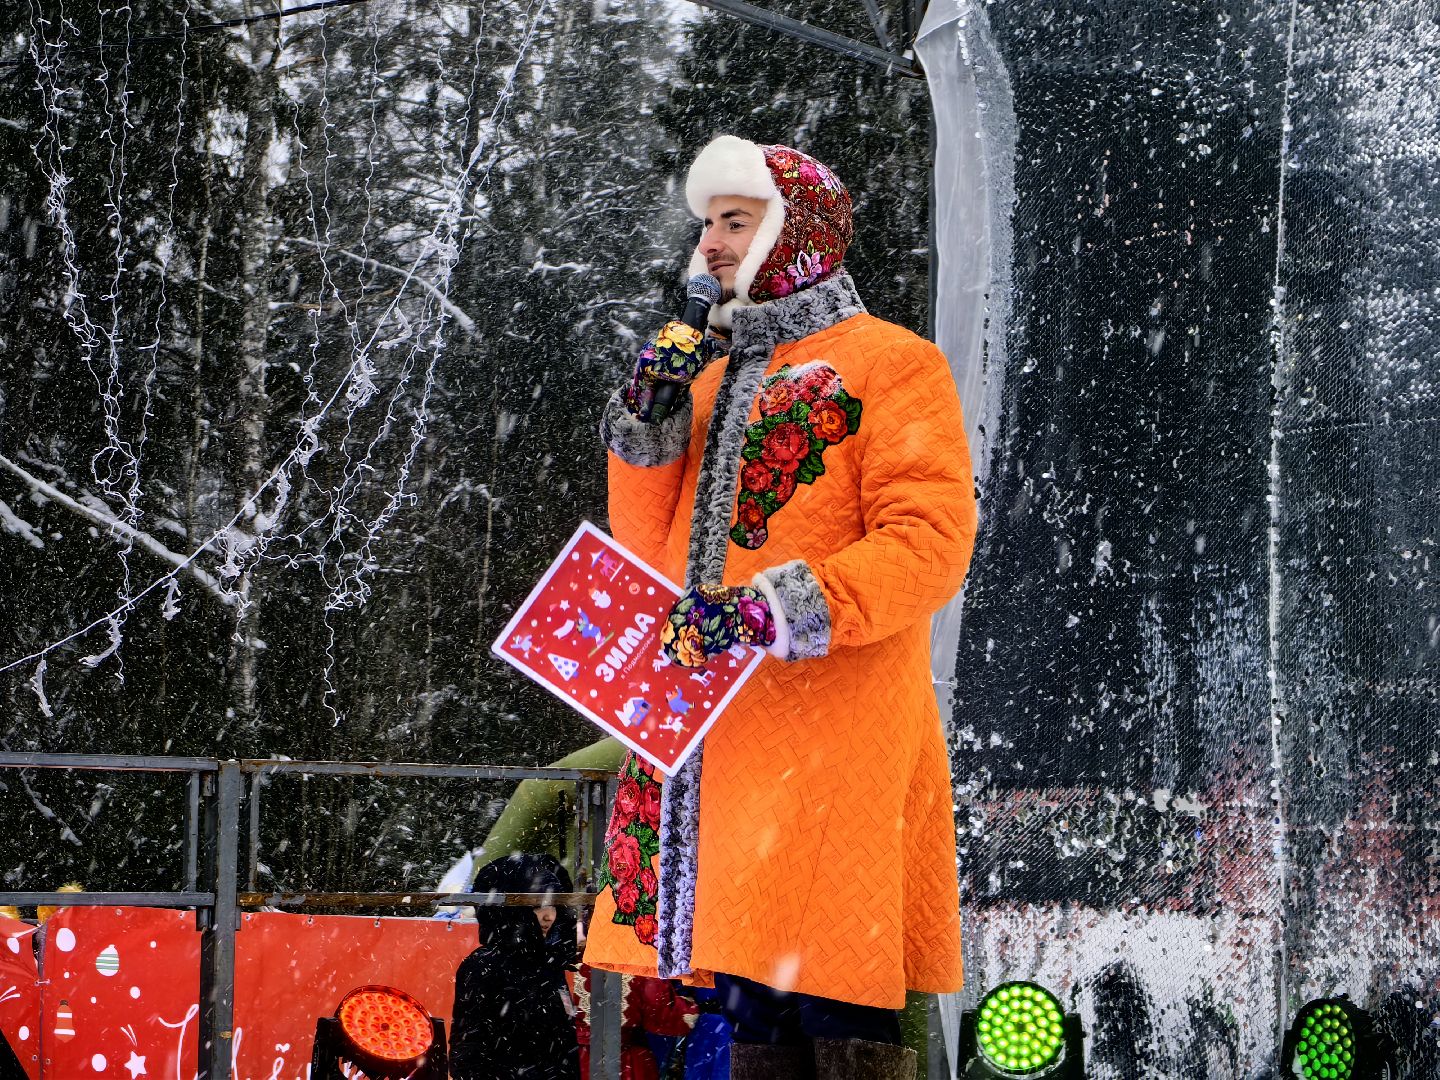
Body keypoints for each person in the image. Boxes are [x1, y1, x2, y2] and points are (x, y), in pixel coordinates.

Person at [583, 135, 977, 1080]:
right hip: (722, 737)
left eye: (735, 220)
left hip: (835, 734)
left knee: (839, 993)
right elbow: (648, 554)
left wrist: (771, 611)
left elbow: (930, 546)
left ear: (795, 230)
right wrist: (651, 423)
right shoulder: (712, 379)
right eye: (706, 224)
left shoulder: (893, 363)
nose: (710, 244)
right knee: (753, 1000)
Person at [450, 853, 581, 1080]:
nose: (548, 916)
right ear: (510, 910)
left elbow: (563, 1047)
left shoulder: (548, 962)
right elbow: (468, 1053)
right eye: (536, 906)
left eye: (553, 905)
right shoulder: (484, 966)